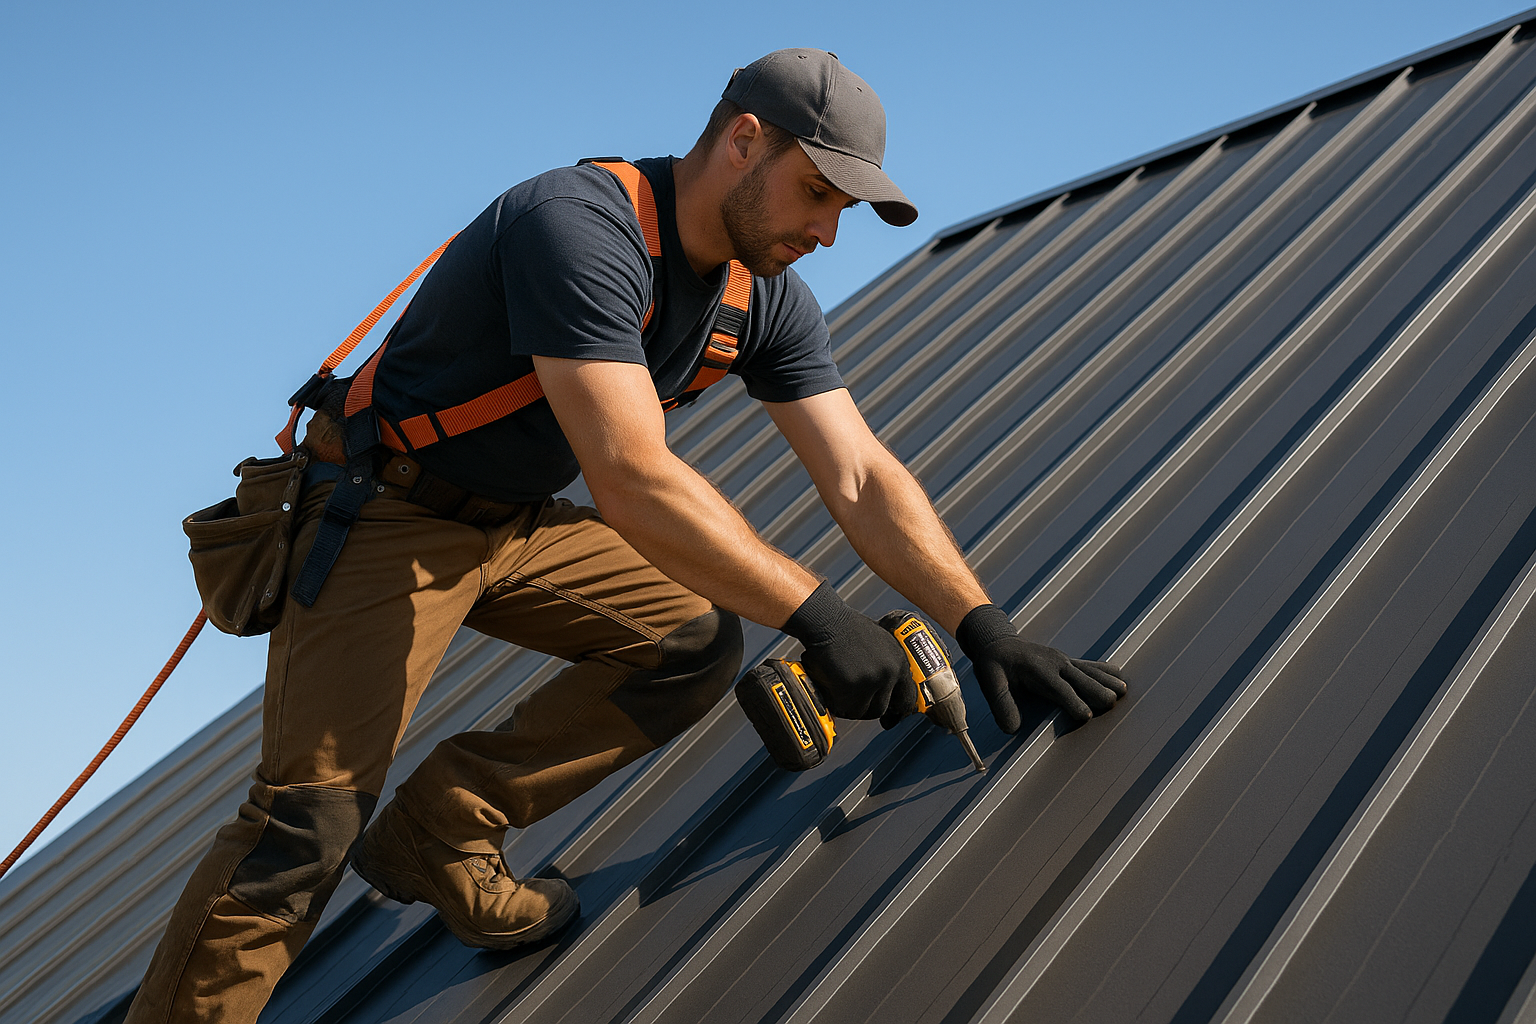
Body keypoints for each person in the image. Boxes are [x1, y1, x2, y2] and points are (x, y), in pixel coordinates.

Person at [125, 48, 1127, 1023]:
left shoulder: (765, 298)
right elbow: (632, 476)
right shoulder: (580, 225)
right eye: (819, 192)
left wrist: (983, 620)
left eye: (846, 209)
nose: (829, 230)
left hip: (512, 522)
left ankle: (444, 829)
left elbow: (860, 475)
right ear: (744, 141)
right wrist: (821, 616)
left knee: (691, 642)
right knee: (307, 823)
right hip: (388, 509)